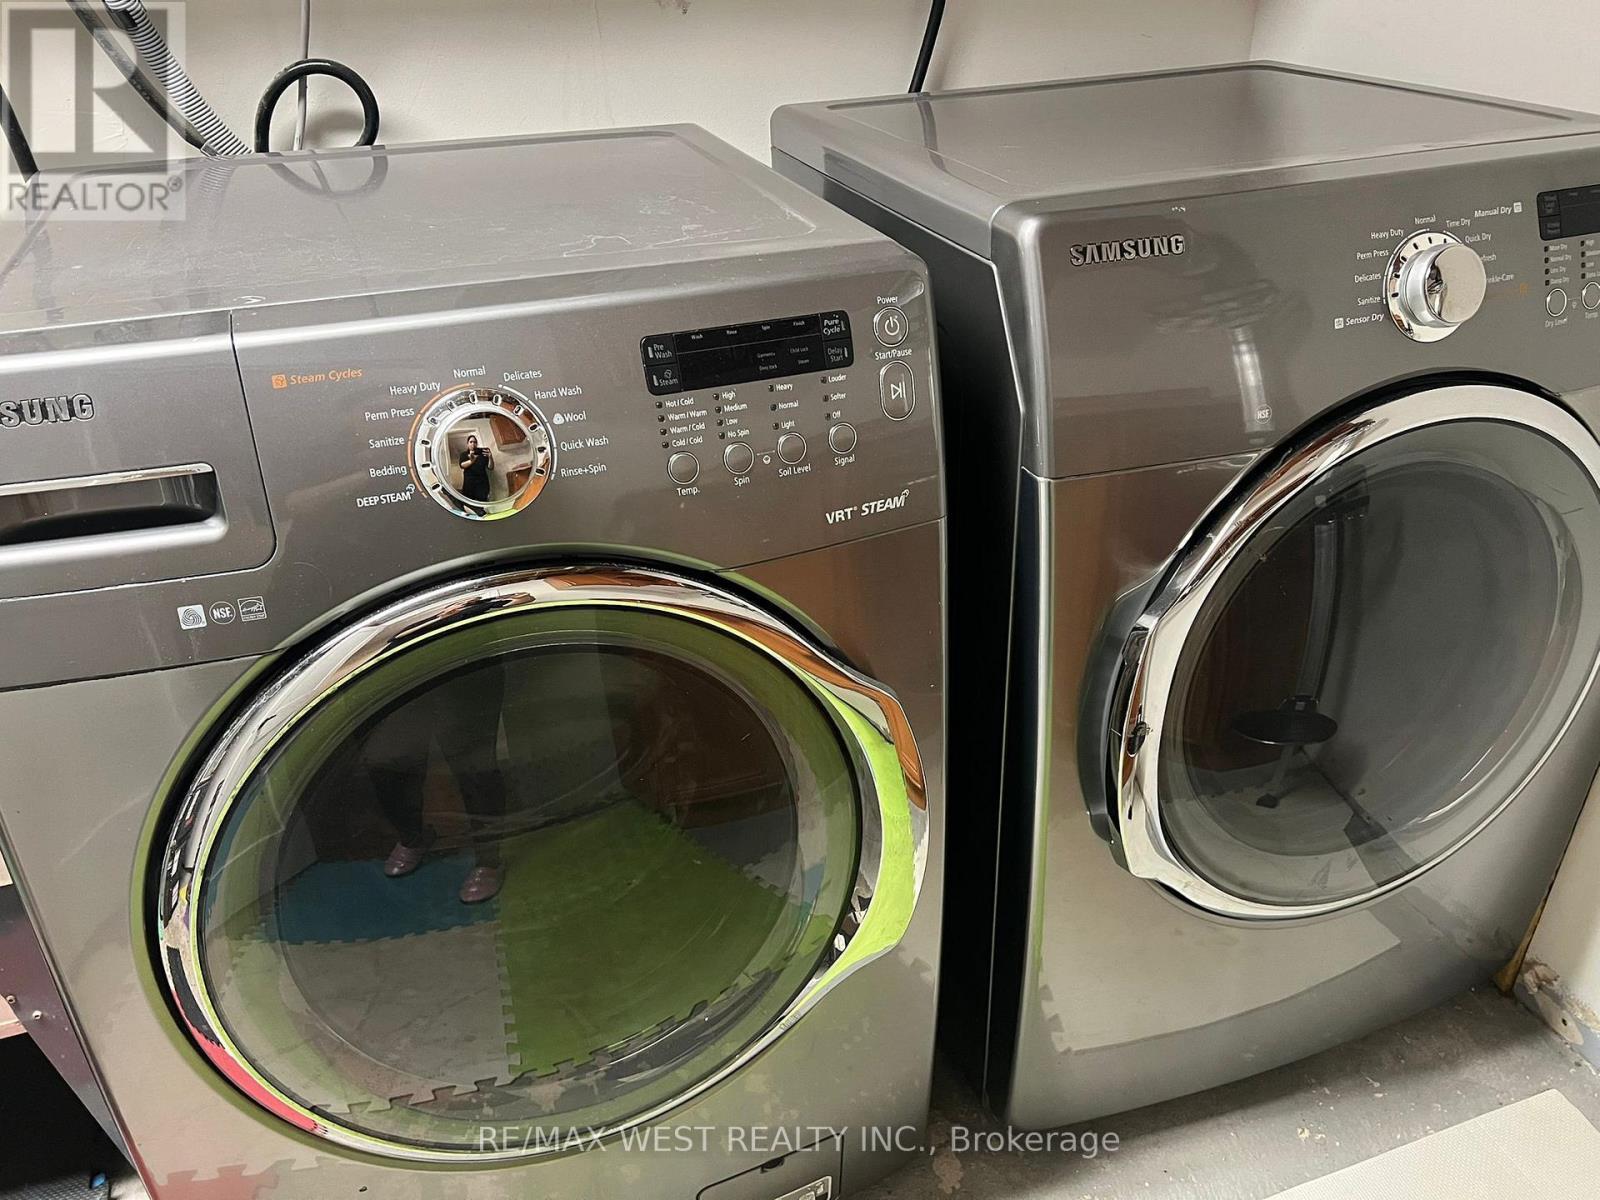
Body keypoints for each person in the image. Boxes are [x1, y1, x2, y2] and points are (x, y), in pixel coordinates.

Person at [458, 434, 493, 503]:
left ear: (477, 444)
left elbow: (490, 467)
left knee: (483, 502)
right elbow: (462, 465)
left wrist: (490, 457)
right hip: (469, 483)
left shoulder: (483, 453)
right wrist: (471, 461)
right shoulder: (464, 454)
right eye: (471, 442)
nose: (473, 444)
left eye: (475, 442)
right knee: (469, 503)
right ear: (467, 444)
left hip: (482, 483)